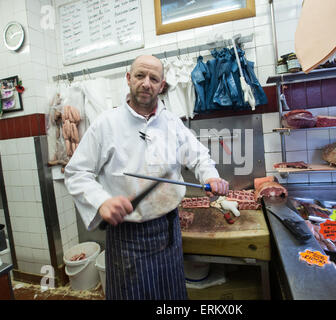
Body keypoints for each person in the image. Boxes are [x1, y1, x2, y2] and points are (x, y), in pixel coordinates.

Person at [64, 55, 229, 300]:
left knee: (171, 297)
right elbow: (77, 172)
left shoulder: (172, 122)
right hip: (127, 234)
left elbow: (198, 156)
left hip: (169, 228)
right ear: (129, 79)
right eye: (140, 76)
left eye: (154, 78)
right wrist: (101, 201)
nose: (146, 83)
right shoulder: (106, 124)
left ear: (161, 86)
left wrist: (211, 176)